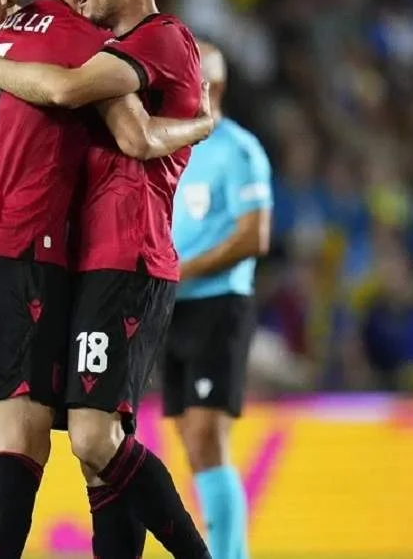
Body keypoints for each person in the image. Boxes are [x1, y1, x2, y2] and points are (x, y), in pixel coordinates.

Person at [0, 0, 213, 559]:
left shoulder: (155, 38)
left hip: (120, 256)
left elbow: (117, 125)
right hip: (59, 254)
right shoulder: (75, 37)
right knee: (82, 449)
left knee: (86, 440)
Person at [166, 41, 272, 559]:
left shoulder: (238, 150)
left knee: (207, 432)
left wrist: (180, 270)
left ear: (214, 86)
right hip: (170, 307)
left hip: (218, 302)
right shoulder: (167, 145)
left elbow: (254, 236)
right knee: (191, 437)